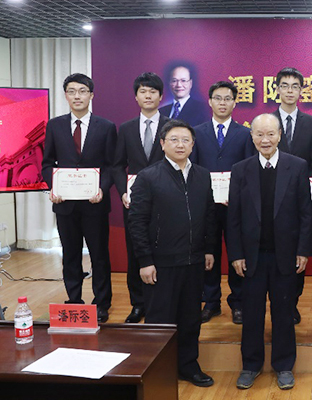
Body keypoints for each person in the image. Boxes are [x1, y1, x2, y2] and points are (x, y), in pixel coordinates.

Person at [128, 119, 216, 387]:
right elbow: (137, 222)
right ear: (163, 144)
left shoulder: (202, 175)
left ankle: (188, 366)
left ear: (193, 144)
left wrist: (209, 249)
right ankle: (158, 371)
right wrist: (145, 261)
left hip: (193, 260)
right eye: (174, 140)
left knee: (190, 319)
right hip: (160, 264)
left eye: (185, 140)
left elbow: (209, 216)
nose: (180, 145)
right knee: (160, 321)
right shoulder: (148, 177)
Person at [227, 114, 312, 390]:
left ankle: (284, 365)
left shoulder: (297, 166)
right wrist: (236, 254)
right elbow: (233, 217)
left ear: (279, 135)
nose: (265, 140)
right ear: (252, 137)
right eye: (259, 134)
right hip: (251, 257)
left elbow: (305, 213)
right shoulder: (240, 169)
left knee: (283, 312)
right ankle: (250, 365)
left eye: (271, 134)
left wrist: (303, 250)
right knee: (251, 314)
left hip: (285, 255)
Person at [41, 73, 116, 323]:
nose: (77, 96)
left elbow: (111, 166)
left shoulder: (106, 126)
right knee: (70, 255)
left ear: (91, 95)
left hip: (95, 204)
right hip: (65, 205)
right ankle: (74, 301)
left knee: (99, 255)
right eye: (72, 91)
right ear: (65, 95)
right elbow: (47, 164)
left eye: (82, 91)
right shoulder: (54, 125)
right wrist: (54, 186)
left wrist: (102, 189)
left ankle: (102, 303)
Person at [190, 80, 255, 325]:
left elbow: (249, 170)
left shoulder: (245, 134)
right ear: (210, 101)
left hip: (235, 205)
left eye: (228, 98)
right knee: (209, 253)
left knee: (238, 252)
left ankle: (238, 302)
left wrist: (238, 196)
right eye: (218, 98)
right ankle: (211, 302)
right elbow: (194, 169)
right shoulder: (197, 133)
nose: (223, 103)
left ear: (235, 103)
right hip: (206, 206)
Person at [112, 72, 170, 323]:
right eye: (143, 91)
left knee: (164, 251)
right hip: (134, 202)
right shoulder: (125, 128)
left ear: (161, 96)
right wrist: (123, 192)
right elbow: (117, 165)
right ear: (136, 97)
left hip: (166, 202)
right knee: (136, 250)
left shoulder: (171, 126)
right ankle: (138, 304)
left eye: (153, 91)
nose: (148, 96)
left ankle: (162, 301)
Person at [271, 67, 312, 324]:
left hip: (300, 199)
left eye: (295, 86)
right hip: (270, 199)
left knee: (298, 253)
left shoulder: (311, 123)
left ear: (301, 91)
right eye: (285, 85)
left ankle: (293, 303)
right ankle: (276, 303)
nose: (289, 91)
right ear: (277, 89)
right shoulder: (266, 121)